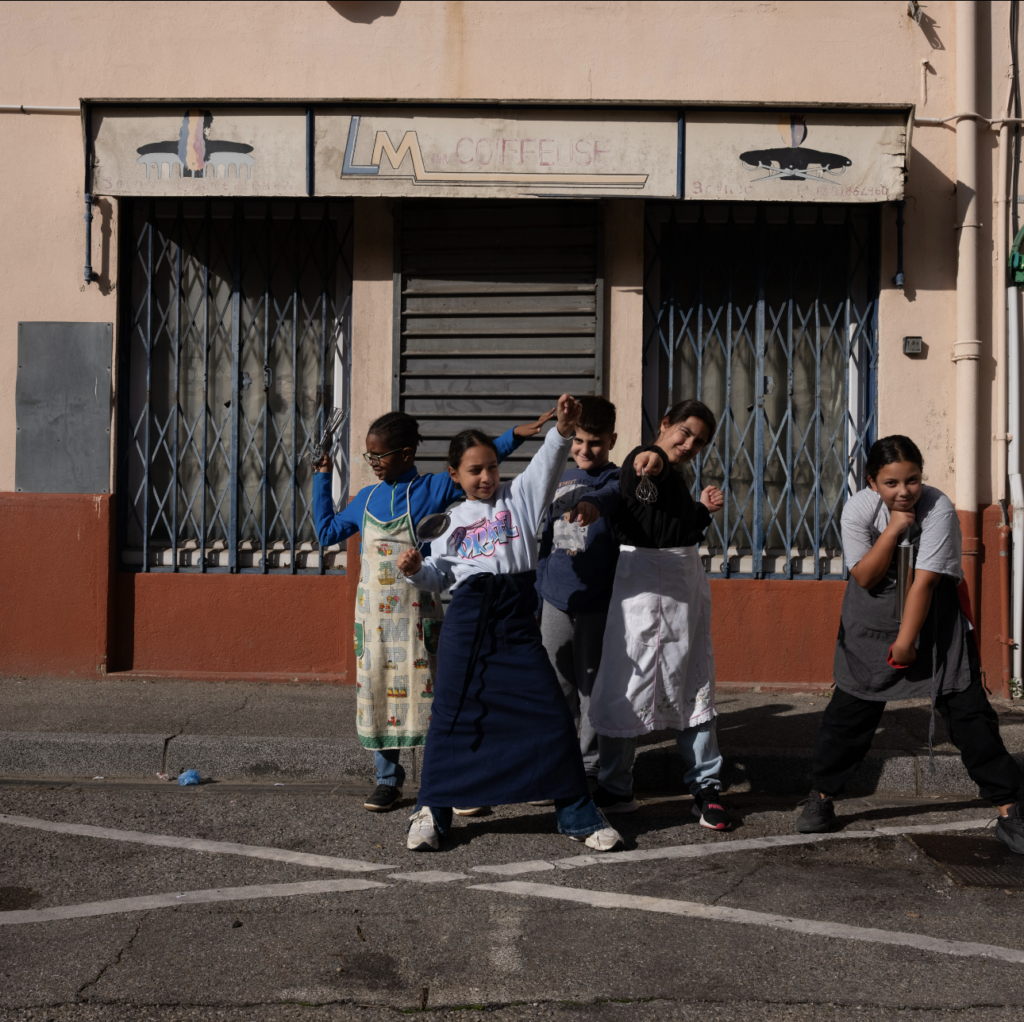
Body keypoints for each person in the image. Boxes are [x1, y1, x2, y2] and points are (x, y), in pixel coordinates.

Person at [396, 394, 625, 853]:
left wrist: (563, 429)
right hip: (467, 620)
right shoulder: (447, 521)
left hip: (517, 618)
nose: (486, 477)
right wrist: (415, 571)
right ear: (455, 475)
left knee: (549, 712)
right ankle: (432, 810)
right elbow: (439, 577)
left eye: (491, 467)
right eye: (474, 470)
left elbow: (548, 460)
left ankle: (576, 813)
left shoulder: (520, 497)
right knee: (452, 717)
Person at [313, 407, 554, 813]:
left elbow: (475, 461)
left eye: (379, 456)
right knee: (378, 691)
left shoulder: (431, 489)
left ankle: (447, 779)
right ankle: (387, 780)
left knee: (437, 696)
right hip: (373, 622)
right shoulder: (365, 498)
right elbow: (326, 532)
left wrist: (515, 434)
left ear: (406, 454)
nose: (373, 463)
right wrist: (321, 478)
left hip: (418, 616)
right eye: (369, 457)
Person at [797, 436, 1024, 851]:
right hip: (870, 623)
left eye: (913, 480)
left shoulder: (938, 507)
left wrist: (906, 642)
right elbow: (865, 576)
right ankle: (822, 796)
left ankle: (1010, 808)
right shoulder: (858, 509)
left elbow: (924, 582)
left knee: (970, 715)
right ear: (872, 482)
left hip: (934, 622)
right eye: (891, 483)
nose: (904, 491)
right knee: (848, 717)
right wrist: (894, 527)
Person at [588, 398, 731, 830]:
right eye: (684, 433)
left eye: (698, 442)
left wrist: (702, 510)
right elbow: (647, 464)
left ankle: (707, 789)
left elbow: (679, 529)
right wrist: (651, 457)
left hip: (683, 594)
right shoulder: (644, 462)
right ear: (665, 423)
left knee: (691, 683)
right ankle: (615, 787)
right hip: (637, 591)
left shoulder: (680, 481)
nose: (688, 445)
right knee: (624, 683)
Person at [536, 395, 620, 783]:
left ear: (612, 440)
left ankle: (588, 768)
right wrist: (539, 589)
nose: (585, 450)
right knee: (557, 686)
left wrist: (591, 502)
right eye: (579, 441)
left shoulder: (617, 481)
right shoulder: (560, 478)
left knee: (592, 690)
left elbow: (611, 497)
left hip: (597, 604)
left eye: (596, 442)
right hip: (555, 599)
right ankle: (559, 760)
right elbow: (544, 540)